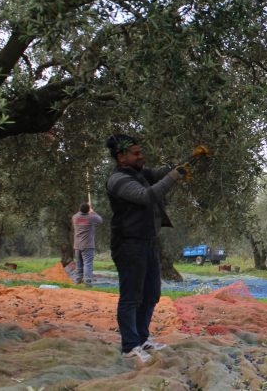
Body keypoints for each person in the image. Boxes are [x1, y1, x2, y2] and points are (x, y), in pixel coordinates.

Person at [105, 133, 190, 365]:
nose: (141, 156)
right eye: (136, 153)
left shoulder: (139, 172)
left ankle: (142, 339)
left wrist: (191, 157)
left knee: (151, 294)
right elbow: (147, 196)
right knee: (131, 297)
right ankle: (129, 346)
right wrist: (175, 176)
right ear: (121, 157)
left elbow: (161, 172)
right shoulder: (118, 180)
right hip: (128, 243)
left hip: (147, 242)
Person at [71, 202, 103, 287]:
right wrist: (92, 212)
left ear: (79, 209)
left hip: (77, 245)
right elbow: (100, 220)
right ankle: (87, 283)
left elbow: (79, 213)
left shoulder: (75, 217)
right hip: (88, 245)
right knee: (87, 264)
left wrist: (88, 210)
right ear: (88, 210)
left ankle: (77, 281)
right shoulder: (91, 217)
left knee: (78, 264)